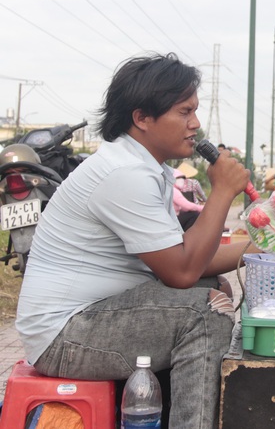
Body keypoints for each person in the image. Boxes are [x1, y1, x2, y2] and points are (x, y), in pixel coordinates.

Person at [15, 53, 251, 429]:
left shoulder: (147, 168)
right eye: (184, 112)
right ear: (141, 118)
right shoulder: (124, 173)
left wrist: (254, 249)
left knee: (212, 288)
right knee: (203, 314)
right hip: (66, 334)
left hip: (92, 315)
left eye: (195, 111)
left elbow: (183, 257)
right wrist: (222, 191)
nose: (196, 124)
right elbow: (181, 272)